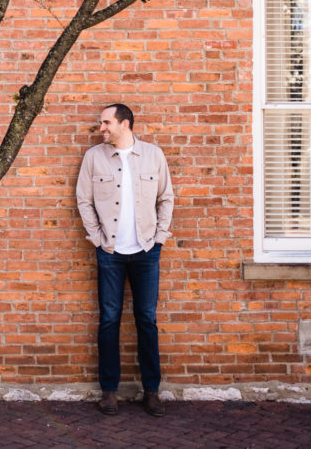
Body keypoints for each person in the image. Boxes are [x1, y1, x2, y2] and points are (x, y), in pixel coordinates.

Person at [76, 103, 174, 417]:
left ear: (125, 124)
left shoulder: (154, 155)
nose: (101, 129)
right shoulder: (94, 158)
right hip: (110, 253)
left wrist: (159, 236)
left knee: (146, 320)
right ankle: (109, 392)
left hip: (147, 251)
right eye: (101, 124)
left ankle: (152, 391)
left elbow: (166, 197)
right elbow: (84, 200)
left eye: (106, 123)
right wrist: (97, 237)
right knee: (109, 320)